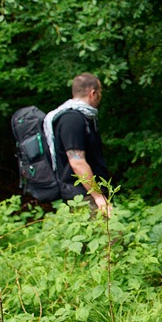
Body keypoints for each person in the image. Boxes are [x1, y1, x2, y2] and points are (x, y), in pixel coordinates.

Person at [43, 72, 111, 215]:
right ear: (93, 93)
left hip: (88, 193)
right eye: (100, 92)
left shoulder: (84, 118)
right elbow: (77, 162)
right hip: (84, 196)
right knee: (112, 237)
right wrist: (97, 196)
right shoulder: (72, 120)